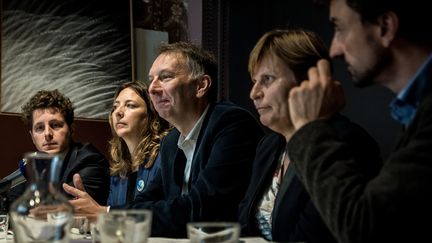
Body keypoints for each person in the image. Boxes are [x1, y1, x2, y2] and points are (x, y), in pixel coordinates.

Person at [285, 0, 432, 242]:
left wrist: (311, 127)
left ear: (385, 27)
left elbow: (363, 229)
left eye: (340, 28)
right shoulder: (415, 110)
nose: (334, 50)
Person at [238, 29, 381, 243]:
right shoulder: (269, 145)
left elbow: (310, 238)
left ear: (308, 82)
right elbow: (244, 223)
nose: (254, 93)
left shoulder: (348, 142)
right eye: (254, 81)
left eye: (267, 79)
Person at [111, 42, 264, 238]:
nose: (152, 89)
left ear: (200, 86)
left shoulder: (231, 124)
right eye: (151, 80)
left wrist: (109, 215)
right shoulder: (170, 142)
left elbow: (202, 209)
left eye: (165, 77)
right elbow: (144, 202)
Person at [62, 81, 171, 221]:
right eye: (115, 107)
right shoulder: (119, 171)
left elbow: (162, 215)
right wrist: (86, 215)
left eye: (130, 105)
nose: (118, 112)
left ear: (152, 116)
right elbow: (113, 221)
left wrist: (101, 213)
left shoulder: (166, 156)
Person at [8, 89, 110, 207]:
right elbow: (10, 202)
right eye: (40, 128)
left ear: (71, 129)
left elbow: (56, 210)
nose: (47, 134)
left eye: (55, 125)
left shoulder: (90, 160)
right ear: (32, 137)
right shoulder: (32, 165)